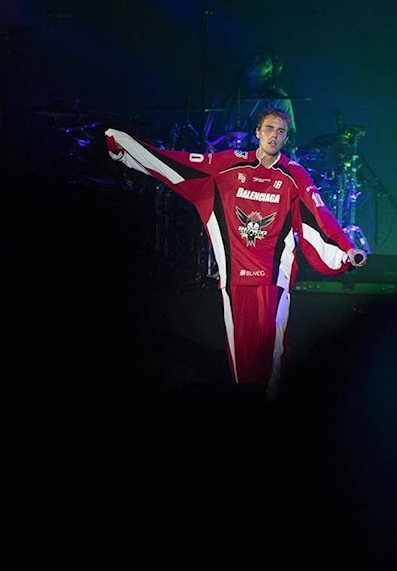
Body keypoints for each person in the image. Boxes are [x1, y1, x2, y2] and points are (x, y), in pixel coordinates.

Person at [105, 107, 366, 399]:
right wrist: (126, 148)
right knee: (242, 362)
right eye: (269, 129)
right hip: (235, 280)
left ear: (286, 138)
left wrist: (346, 249)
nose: (274, 135)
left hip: (273, 280)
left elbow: (320, 217)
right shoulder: (228, 164)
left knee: (272, 357)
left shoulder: (294, 175)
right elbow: (175, 164)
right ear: (257, 132)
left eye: (280, 131)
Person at [202, 48, 297, 154]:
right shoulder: (224, 97)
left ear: (269, 74)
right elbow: (208, 137)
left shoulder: (278, 99)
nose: (255, 59)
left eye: (263, 60)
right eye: (254, 57)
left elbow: (289, 136)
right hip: (226, 158)